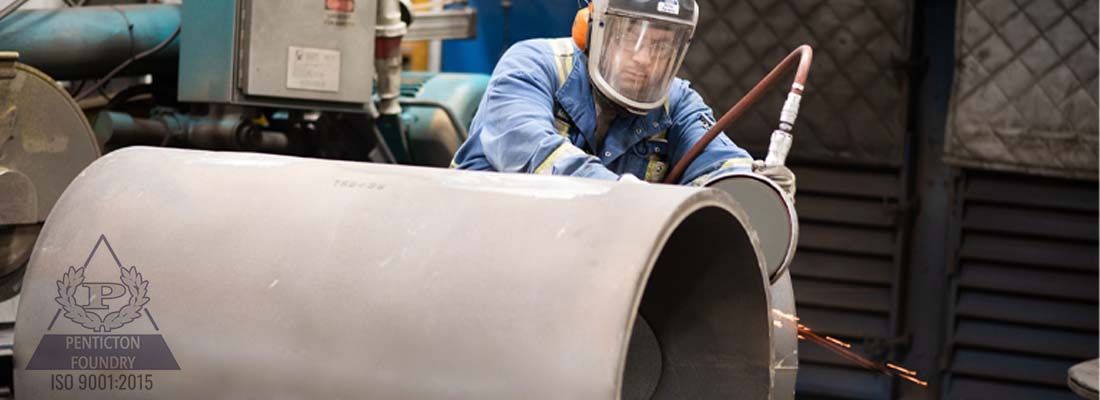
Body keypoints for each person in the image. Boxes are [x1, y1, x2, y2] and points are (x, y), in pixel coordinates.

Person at [451, 0, 795, 196]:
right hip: (480, 251)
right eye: (630, 38)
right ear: (591, 29)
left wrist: (753, 185)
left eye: (661, 47)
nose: (644, 59)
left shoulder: (677, 103)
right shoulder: (532, 65)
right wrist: (627, 198)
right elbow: (535, 154)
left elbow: (720, 165)